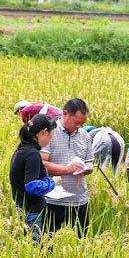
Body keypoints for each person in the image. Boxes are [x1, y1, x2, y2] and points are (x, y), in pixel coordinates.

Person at [41, 98, 94, 237]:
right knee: (47, 242)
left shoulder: (85, 136)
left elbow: (90, 162)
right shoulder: (48, 132)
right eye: (76, 122)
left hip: (80, 199)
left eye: (82, 124)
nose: (79, 126)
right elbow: (42, 163)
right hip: (53, 200)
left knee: (82, 241)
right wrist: (68, 169)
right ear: (65, 114)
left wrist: (87, 168)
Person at [9, 114, 61, 243]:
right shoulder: (32, 154)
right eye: (51, 135)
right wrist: (52, 182)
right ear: (44, 132)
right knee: (32, 250)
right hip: (31, 212)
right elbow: (32, 186)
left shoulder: (21, 149)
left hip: (21, 207)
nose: (50, 139)